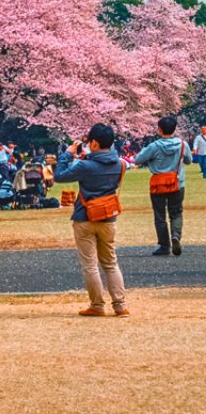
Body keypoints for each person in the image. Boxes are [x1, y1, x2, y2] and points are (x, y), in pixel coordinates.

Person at [55, 123, 129, 317]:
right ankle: (120, 305)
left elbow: (59, 176)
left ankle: (97, 305)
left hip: (85, 217)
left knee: (90, 265)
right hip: (108, 218)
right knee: (111, 263)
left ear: (94, 143)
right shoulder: (120, 164)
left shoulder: (86, 166)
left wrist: (68, 154)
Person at [133, 115, 189, 256]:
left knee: (160, 215)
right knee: (176, 212)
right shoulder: (183, 144)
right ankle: (176, 235)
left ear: (159, 130)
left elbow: (138, 160)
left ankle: (164, 246)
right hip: (177, 183)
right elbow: (188, 160)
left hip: (158, 184)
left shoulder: (154, 146)